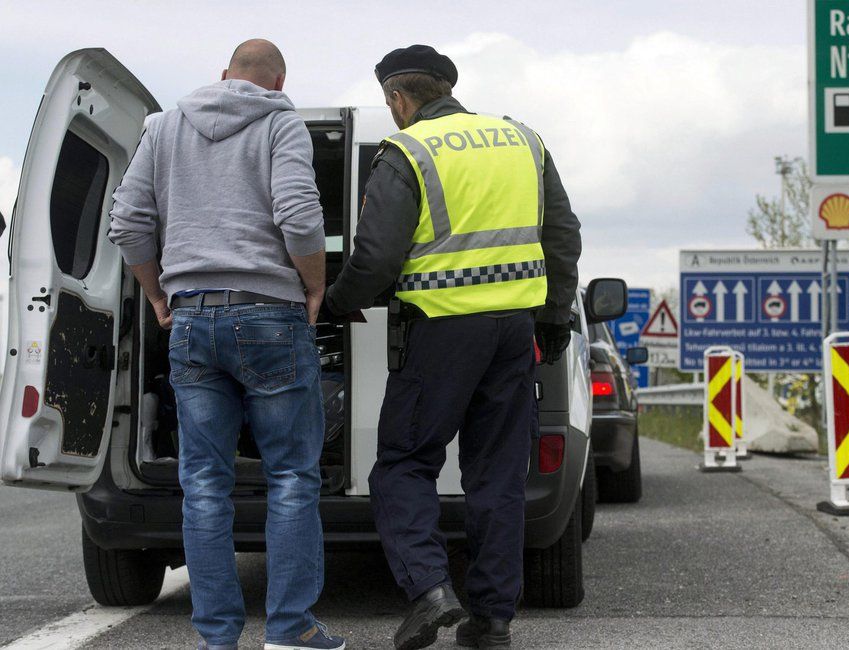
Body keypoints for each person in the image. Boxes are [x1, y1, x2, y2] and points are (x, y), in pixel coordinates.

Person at [325, 44, 582, 650]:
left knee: (404, 464)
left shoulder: (408, 150)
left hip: (442, 331)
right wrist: (554, 315)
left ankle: (430, 589)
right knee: (497, 475)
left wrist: (336, 301)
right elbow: (562, 233)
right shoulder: (523, 140)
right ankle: (492, 621)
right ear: (448, 87)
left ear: (399, 98)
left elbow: (378, 255)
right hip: (514, 332)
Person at [108, 39, 344, 650]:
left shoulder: (161, 128)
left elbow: (129, 222)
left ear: (223, 76)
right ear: (278, 82)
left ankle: (218, 640)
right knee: (292, 476)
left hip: (191, 319)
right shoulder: (279, 122)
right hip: (271, 316)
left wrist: (159, 296)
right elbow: (298, 214)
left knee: (204, 484)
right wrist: (314, 287)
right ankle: (290, 630)